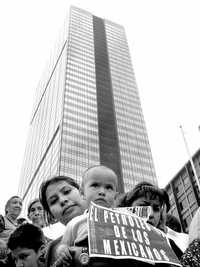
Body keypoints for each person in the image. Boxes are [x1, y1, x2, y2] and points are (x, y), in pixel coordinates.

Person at [56, 165, 118, 266]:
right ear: (82, 193)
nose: (102, 192)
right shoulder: (75, 222)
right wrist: (62, 251)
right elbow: (63, 245)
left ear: (115, 195)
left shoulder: (122, 220)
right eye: (95, 185)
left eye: (109, 187)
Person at [39, 175, 86, 266]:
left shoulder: (114, 220)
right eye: (53, 201)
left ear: (82, 192)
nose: (62, 200)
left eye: (67, 191)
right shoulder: (52, 249)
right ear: (52, 215)